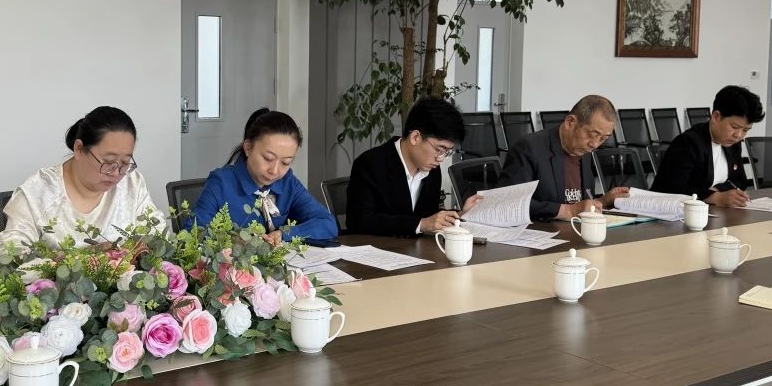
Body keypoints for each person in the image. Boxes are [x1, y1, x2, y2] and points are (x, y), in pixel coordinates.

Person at [0, 106, 165, 253]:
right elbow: (10, 255)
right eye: (108, 162)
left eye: (125, 163)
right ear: (78, 148)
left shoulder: (131, 184)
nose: (116, 173)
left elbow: (159, 237)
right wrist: (77, 260)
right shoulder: (38, 193)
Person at [191, 109, 336, 244]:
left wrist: (284, 233)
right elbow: (193, 235)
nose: (274, 171)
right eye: (268, 158)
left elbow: (327, 224)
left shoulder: (287, 182)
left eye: (285, 162)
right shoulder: (220, 183)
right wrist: (236, 242)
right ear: (248, 148)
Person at [345, 97, 482, 236]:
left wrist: (460, 214)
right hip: (376, 247)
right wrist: (421, 224)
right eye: (439, 149)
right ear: (415, 137)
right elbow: (359, 222)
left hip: (416, 248)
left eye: (447, 152)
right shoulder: (370, 164)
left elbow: (429, 217)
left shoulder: (432, 170)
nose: (440, 158)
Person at [497, 95, 629, 221]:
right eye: (591, 135)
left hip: (575, 229)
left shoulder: (584, 149)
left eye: (603, 138)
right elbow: (508, 202)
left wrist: (602, 201)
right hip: (541, 230)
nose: (595, 144)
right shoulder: (529, 148)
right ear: (570, 122)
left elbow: (578, 203)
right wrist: (568, 211)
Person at [651, 85, 764, 206]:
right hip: (673, 211)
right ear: (716, 117)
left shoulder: (732, 142)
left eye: (746, 130)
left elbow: (739, 181)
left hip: (712, 210)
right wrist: (714, 196)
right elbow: (671, 189)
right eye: (734, 127)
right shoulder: (688, 143)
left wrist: (717, 191)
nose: (739, 135)